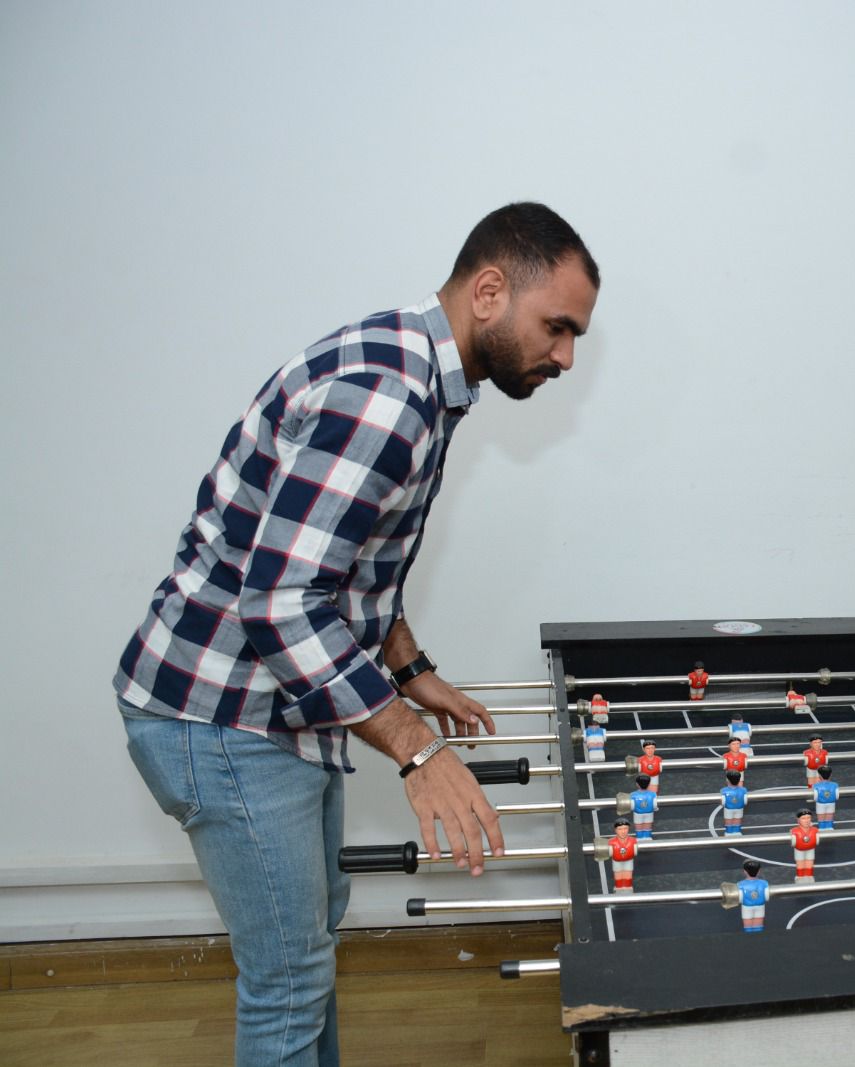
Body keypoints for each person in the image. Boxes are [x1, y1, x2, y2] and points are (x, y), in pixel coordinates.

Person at [113, 202, 600, 1065]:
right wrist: (419, 751)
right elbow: (282, 601)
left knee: (305, 960)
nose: (565, 356)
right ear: (490, 291)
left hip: (264, 709)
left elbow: (348, 561)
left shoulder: (419, 376)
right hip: (222, 716)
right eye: (557, 326)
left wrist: (407, 665)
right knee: (288, 981)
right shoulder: (389, 394)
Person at [737, 860, 769, 932]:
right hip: (760, 906)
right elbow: (767, 896)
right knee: (759, 926)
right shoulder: (764, 883)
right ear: (759, 871)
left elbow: (739, 898)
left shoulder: (740, 884)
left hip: (746, 907)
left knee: (748, 927)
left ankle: (749, 937)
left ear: (745, 871)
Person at [607, 819, 637, 893]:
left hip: (628, 861)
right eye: (620, 829)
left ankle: (628, 887)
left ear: (628, 829)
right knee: (618, 874)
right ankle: (619, 887)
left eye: (625, 828)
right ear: (615, 830)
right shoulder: (611, 842)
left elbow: (635, 851)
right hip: (616, 861)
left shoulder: (633, 841)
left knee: (628, 874)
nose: (623, 831)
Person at [791, 808, 819, 883]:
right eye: (803, 818)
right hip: (799, 850)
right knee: (800, 863)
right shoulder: (794, 831)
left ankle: (809, 876)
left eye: (808, 818)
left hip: (811, 849)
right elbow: (793, 841)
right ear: (798, 820)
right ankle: (800, 876)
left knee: (809, 862)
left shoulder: (815, 830)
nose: (806, 820)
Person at [629, 775, 658, 839]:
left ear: (637, 784)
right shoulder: (653, 794)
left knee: (639, 827)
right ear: (649, 784)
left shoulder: (632, 795)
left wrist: (633, 809)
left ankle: (639, 838)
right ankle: (647, 837)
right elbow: (655, 805)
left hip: (637, 814)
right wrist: (655, 809)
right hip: (649, 813)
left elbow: (632, 806)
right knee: (647, 827)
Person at [811, 764, 840, 829]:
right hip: (831, 804)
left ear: (819, 775)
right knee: (829, 816)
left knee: (821, 817)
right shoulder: (835, 785)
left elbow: (815, 797)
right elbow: (837, 796)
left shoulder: (815, 786)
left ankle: (822, 828)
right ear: (831, 775)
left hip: (820, 804)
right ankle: (829, 827)